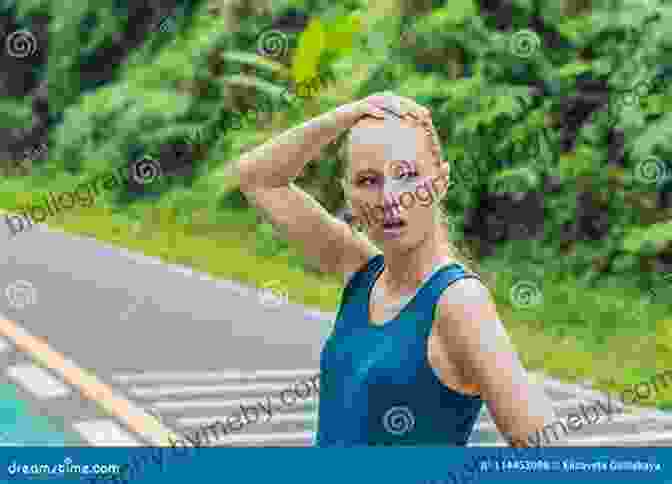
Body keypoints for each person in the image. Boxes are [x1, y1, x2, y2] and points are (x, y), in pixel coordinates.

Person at [236, 91, 557, 446]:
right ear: (347, 193)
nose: (390, 198)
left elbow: (544, 448)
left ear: (441, 182)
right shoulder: (361, 272)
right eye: (368, 181)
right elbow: (257, 177)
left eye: (407, 175)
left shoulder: (458, 302)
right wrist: (348, 114)